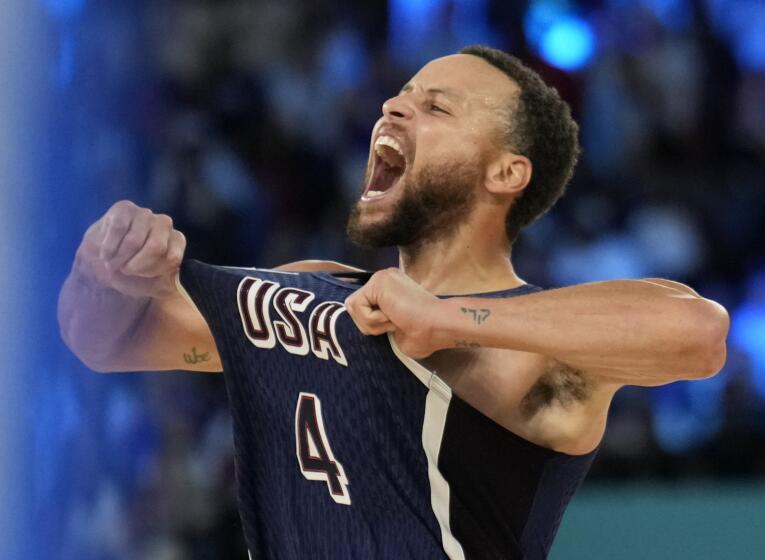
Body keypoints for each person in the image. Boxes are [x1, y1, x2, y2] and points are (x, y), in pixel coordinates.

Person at [58, 46, 729, 559]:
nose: (394, 108)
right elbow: (104, 340)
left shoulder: (533, 353)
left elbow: (698, 332)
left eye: (437, 107)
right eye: (401, 97)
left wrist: (449, 321)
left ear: (507, 173)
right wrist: (102, 272)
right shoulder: (314, 291)